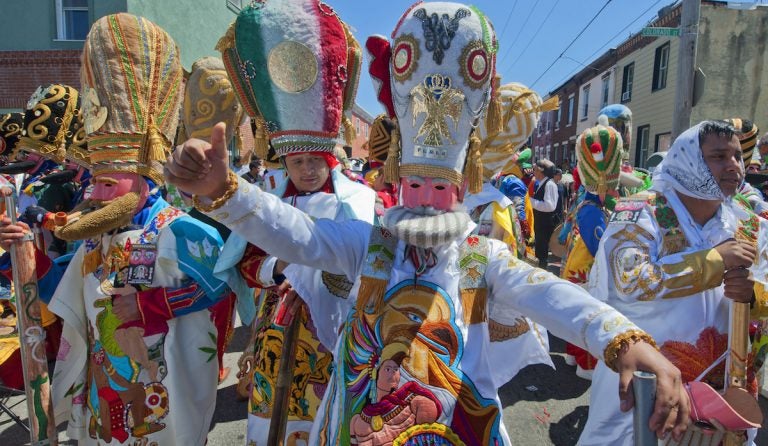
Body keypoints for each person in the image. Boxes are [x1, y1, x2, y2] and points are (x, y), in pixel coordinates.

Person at [166, 2, 689, 444]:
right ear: (397, 183)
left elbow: (555, 297)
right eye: (416, 187)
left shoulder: (482, 260)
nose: (426, 203)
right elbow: (297, 235)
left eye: (440, 190)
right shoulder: (367, 245)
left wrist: (625, 341)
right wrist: (225, 193)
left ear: (462, 189)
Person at [0, 14, 232, 444]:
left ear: (143, 179)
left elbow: (221, 287)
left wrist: (155, 307)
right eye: (95, 180)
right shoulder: (96, 238)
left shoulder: (180, 229)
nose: (97, 192)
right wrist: (25, 259)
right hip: (106, 385)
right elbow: (63, 299)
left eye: (108, 182)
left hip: (166, 387)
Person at [213, 3, 375, 443]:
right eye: (296, 161)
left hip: (327, 331)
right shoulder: (269, 203)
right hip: (275, 325)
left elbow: (366, 269)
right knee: (270, 421)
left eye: (312, 161)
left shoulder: (357, 202)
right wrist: (278, 269)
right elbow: (246, 260)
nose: (305, 170)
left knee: (320, 419)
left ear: (329, 159)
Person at [580, 120, 768, 445]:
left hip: (723, 396)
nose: (734, 166)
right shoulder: (641, 211)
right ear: (689, 159)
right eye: (719, 156)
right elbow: (627, 282)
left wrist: (753, 296)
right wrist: (714, 261)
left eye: (737, 156)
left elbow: (763, 289)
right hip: (646, 384)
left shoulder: (748, 223)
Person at [560, 125, 623, 381]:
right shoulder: (593, 210)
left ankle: (575, 358)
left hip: (578, 266)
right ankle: (584, 365)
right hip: (586, 270)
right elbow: (600, 248)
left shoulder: (585, 203)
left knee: (580, 319)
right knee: (588, 320)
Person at [531, 158, 559, 268]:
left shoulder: (549, 184)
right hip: (541, 224)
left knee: (542, 254)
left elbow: (550, 206)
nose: (534, 172)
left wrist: (531, 201)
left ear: (541, 171)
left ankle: (542, 276)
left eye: (536, 170)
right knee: (539, 251)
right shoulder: (544, 183)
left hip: (544, 225)